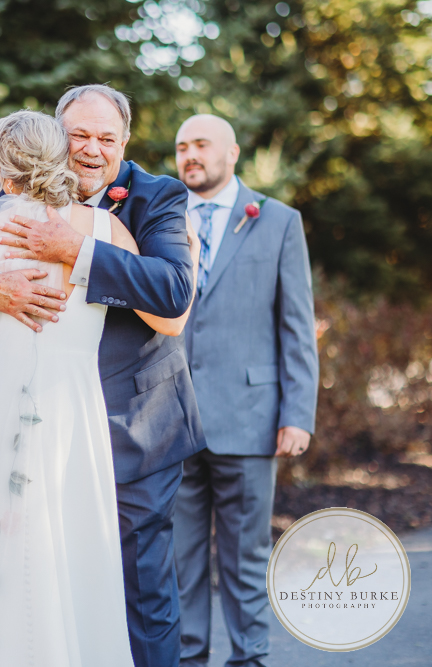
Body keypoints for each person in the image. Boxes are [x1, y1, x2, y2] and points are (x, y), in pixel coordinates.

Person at [0, 84, 206, 667]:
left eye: (107, 138)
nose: (93, 149)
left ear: (125, 142)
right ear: (56, 136)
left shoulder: (159, 197)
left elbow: (175, 295)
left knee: (139, 586)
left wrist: (78, 249)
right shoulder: (7, 192)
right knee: (38, 577)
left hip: (134, 426)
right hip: (33, 429)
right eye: (79, 135)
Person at [172, 115, 319, 667]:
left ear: (231, 153)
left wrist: (297, 413)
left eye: (201, 145)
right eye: (182, 147)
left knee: (245, 557)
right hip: (174, 420)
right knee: (178, 557)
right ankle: (188, 658)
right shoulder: (159, 219)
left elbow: (296, 325)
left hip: (252, 416)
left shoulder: (278, 222)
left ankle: (249, 657)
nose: (190, 155)